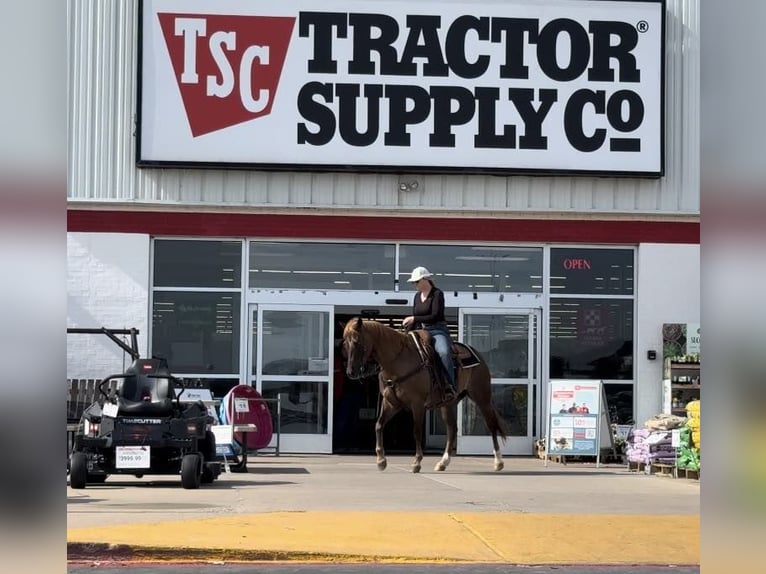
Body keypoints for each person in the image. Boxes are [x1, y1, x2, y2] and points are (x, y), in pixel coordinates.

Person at [402, 266, 456, 402]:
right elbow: (416, 316)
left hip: (437, 330)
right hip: (420, 330)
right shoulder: (416, 296)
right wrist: (407, 331)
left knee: (443, 352)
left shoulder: (437, 294)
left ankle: (449, 385)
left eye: (416, 282)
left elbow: (435, 315)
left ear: (425, 279)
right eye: (414, 282)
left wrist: (414, 319)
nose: (414, 285)